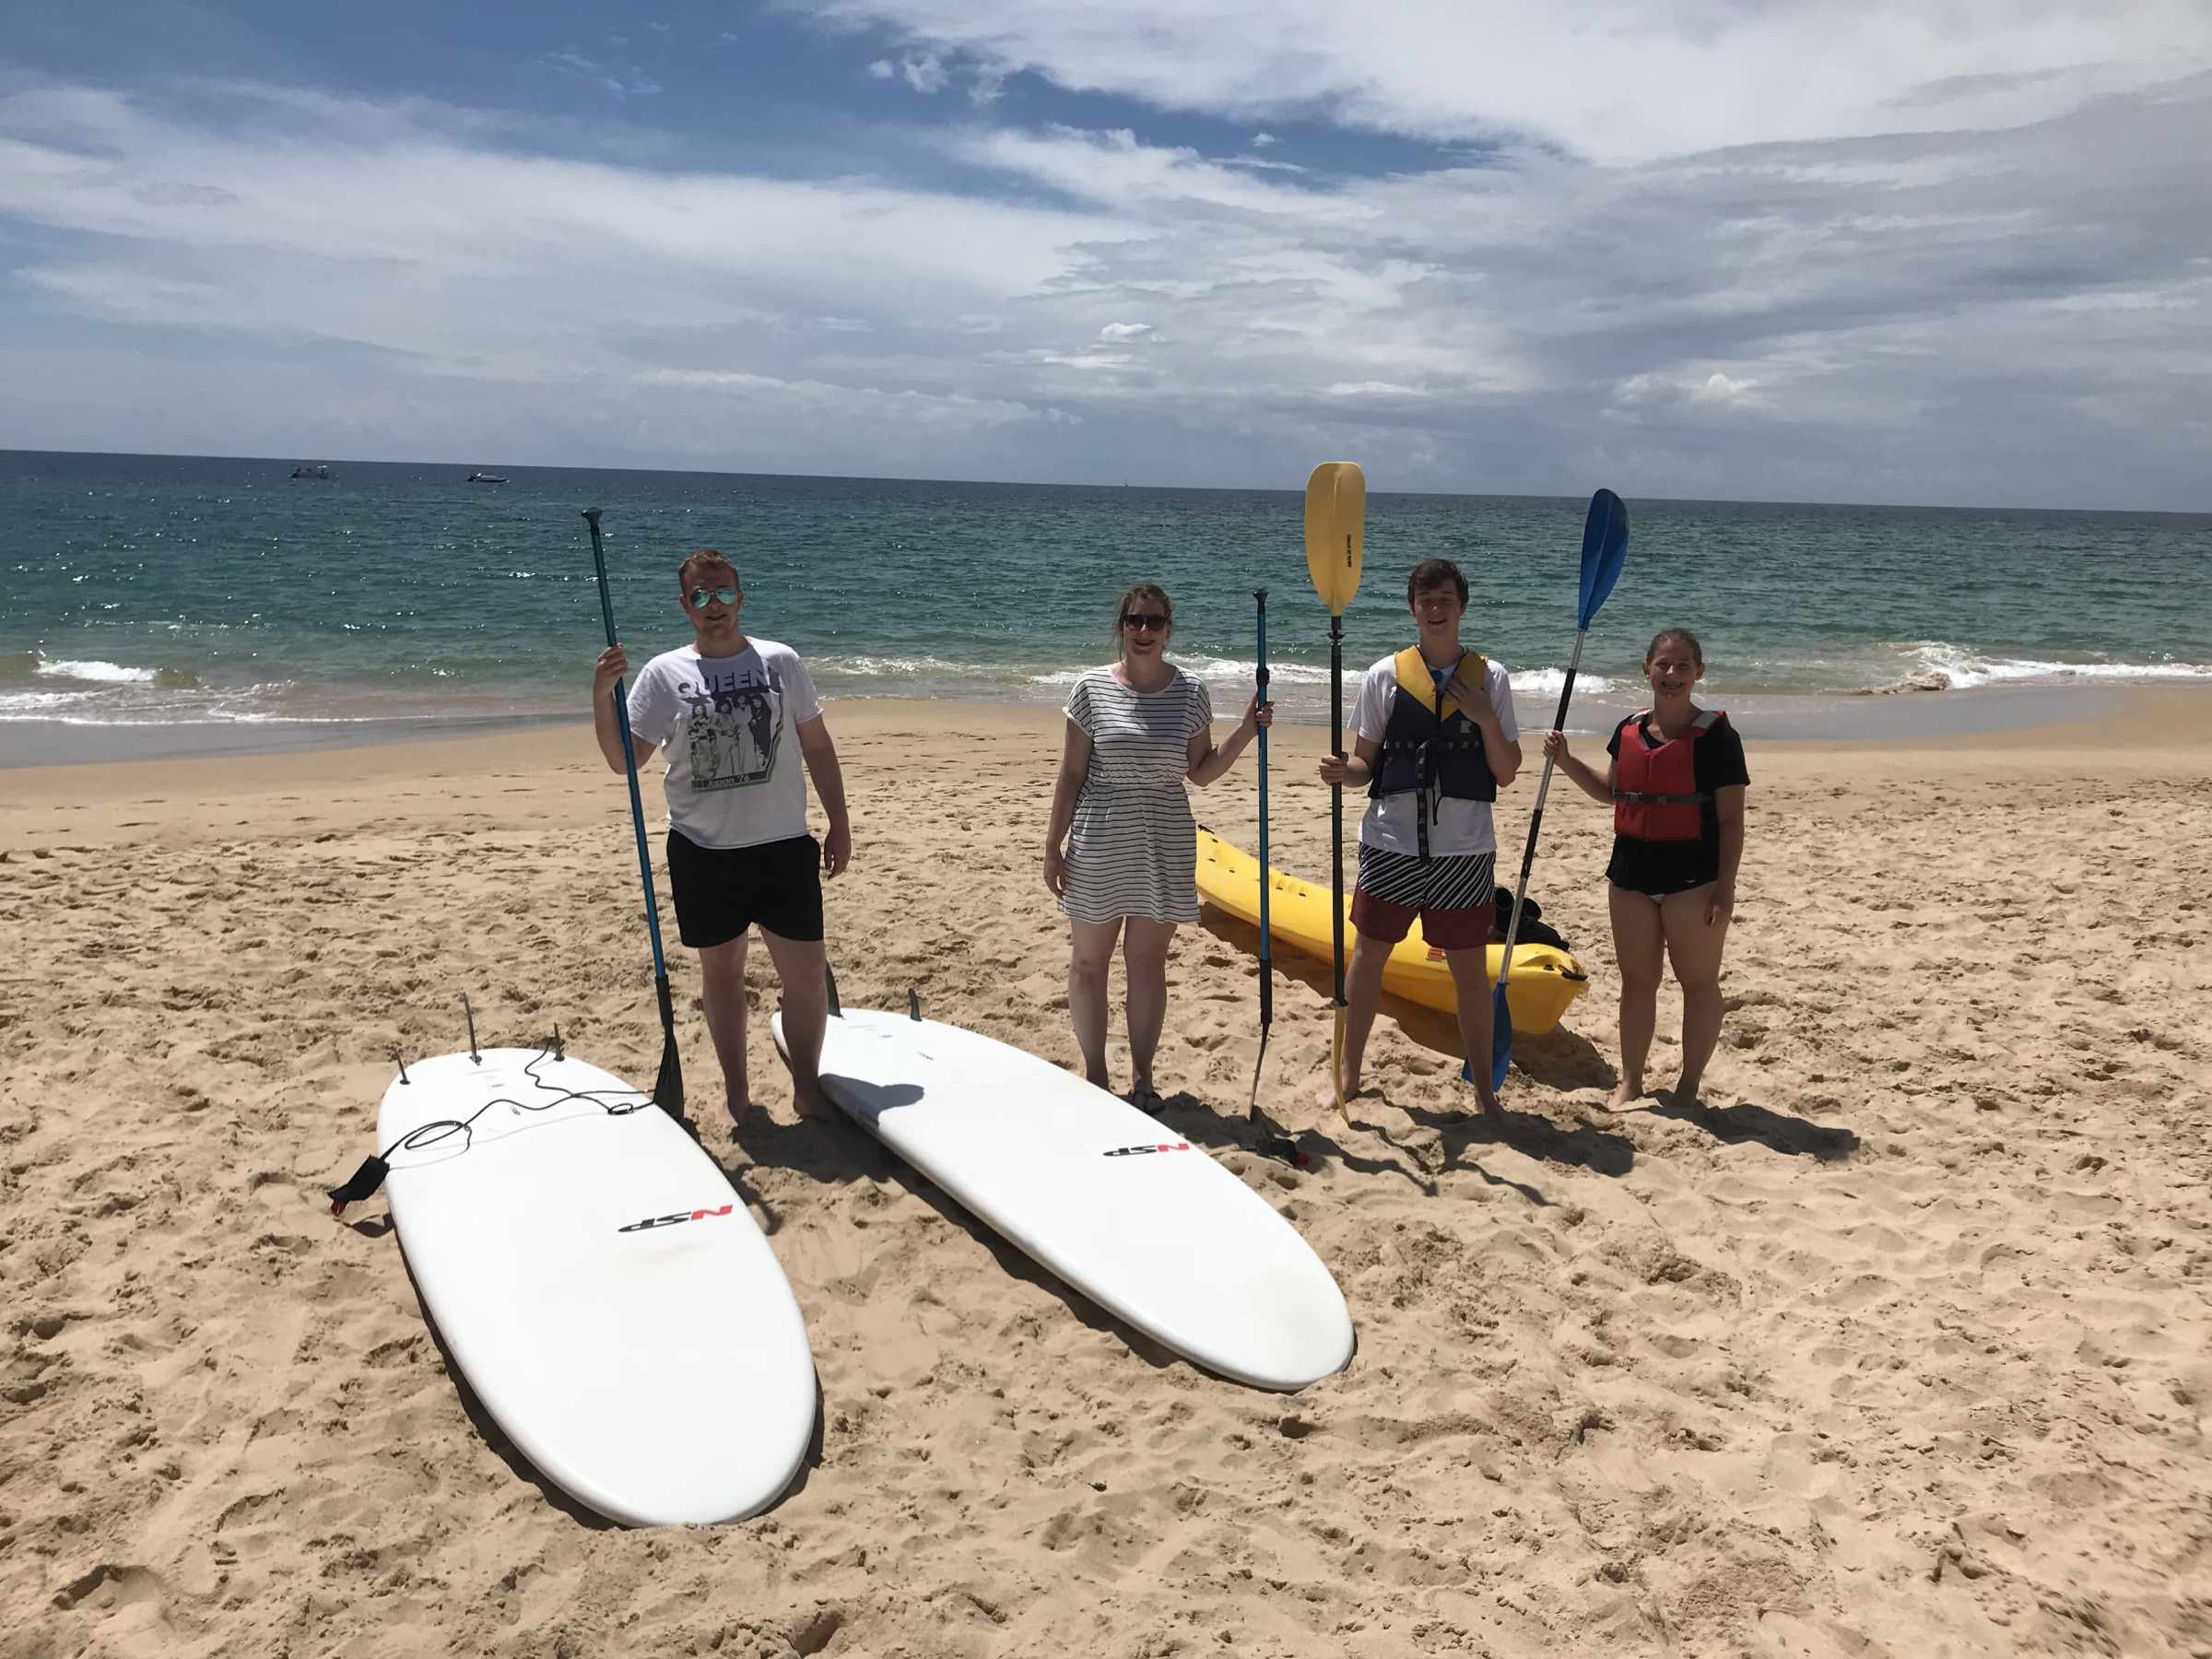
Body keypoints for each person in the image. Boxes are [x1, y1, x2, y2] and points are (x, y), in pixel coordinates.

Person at [591, 549, 852, 1131]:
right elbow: (623, 762)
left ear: (741, 596)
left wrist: (839, 821)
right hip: (703, 852)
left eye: (724, 594)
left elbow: (817, 746)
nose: (715, 606)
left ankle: (806, 1088)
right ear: (685, 605)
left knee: (807, 976)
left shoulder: (781, 662)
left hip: (783, 846)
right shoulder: (663, 674)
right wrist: (601, 693)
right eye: (701, 597)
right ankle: (739, 1094)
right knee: (723, 977)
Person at [1042, 584, 1270, 1101]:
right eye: (1134, 621)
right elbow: (1071, 773)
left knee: (1146, 964)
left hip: (1164, 836)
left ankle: (1143, 1077)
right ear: (1121, 627)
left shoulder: (1191, 691)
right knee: (1089, 962)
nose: (1143, 631)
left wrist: (1246, 732)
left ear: (1169, 630)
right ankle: (1096, 1075)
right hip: (1100, 833)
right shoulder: (1090, 689)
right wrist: (1052, 845)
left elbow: (1202, 771)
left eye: (1154, 622)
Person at [1316, 559, 1522, 1113]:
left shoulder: (1491, 679)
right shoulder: (1384, 676)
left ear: (1462, 605)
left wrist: (1482, 718)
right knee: (1368, 959)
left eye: (1446, 599)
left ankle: (1483, 1091)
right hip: (1390, 844)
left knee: (1469, 974)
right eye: (1426, 600)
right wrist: (1343, 772)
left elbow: (1506, 770)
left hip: (1464, 850)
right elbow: (1366, 766)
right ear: (1412, 608)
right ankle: (1351, 1074)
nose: (1436, 609)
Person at [1542, 628, 1748, 1111]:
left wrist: (1726, 887)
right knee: (1638, 983)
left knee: (1698, 983)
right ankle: (1631, 1080)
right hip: (1631, 875)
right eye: (1663, 665)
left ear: (1698, 672)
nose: (1671, 675)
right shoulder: (1628, 729)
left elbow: (1731, 819)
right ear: (1646, 669)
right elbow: (1612, 791)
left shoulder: (1718, 737)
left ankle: (1688, 1086)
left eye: (1682, 666)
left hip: (1694, 879)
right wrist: (1567, 761)